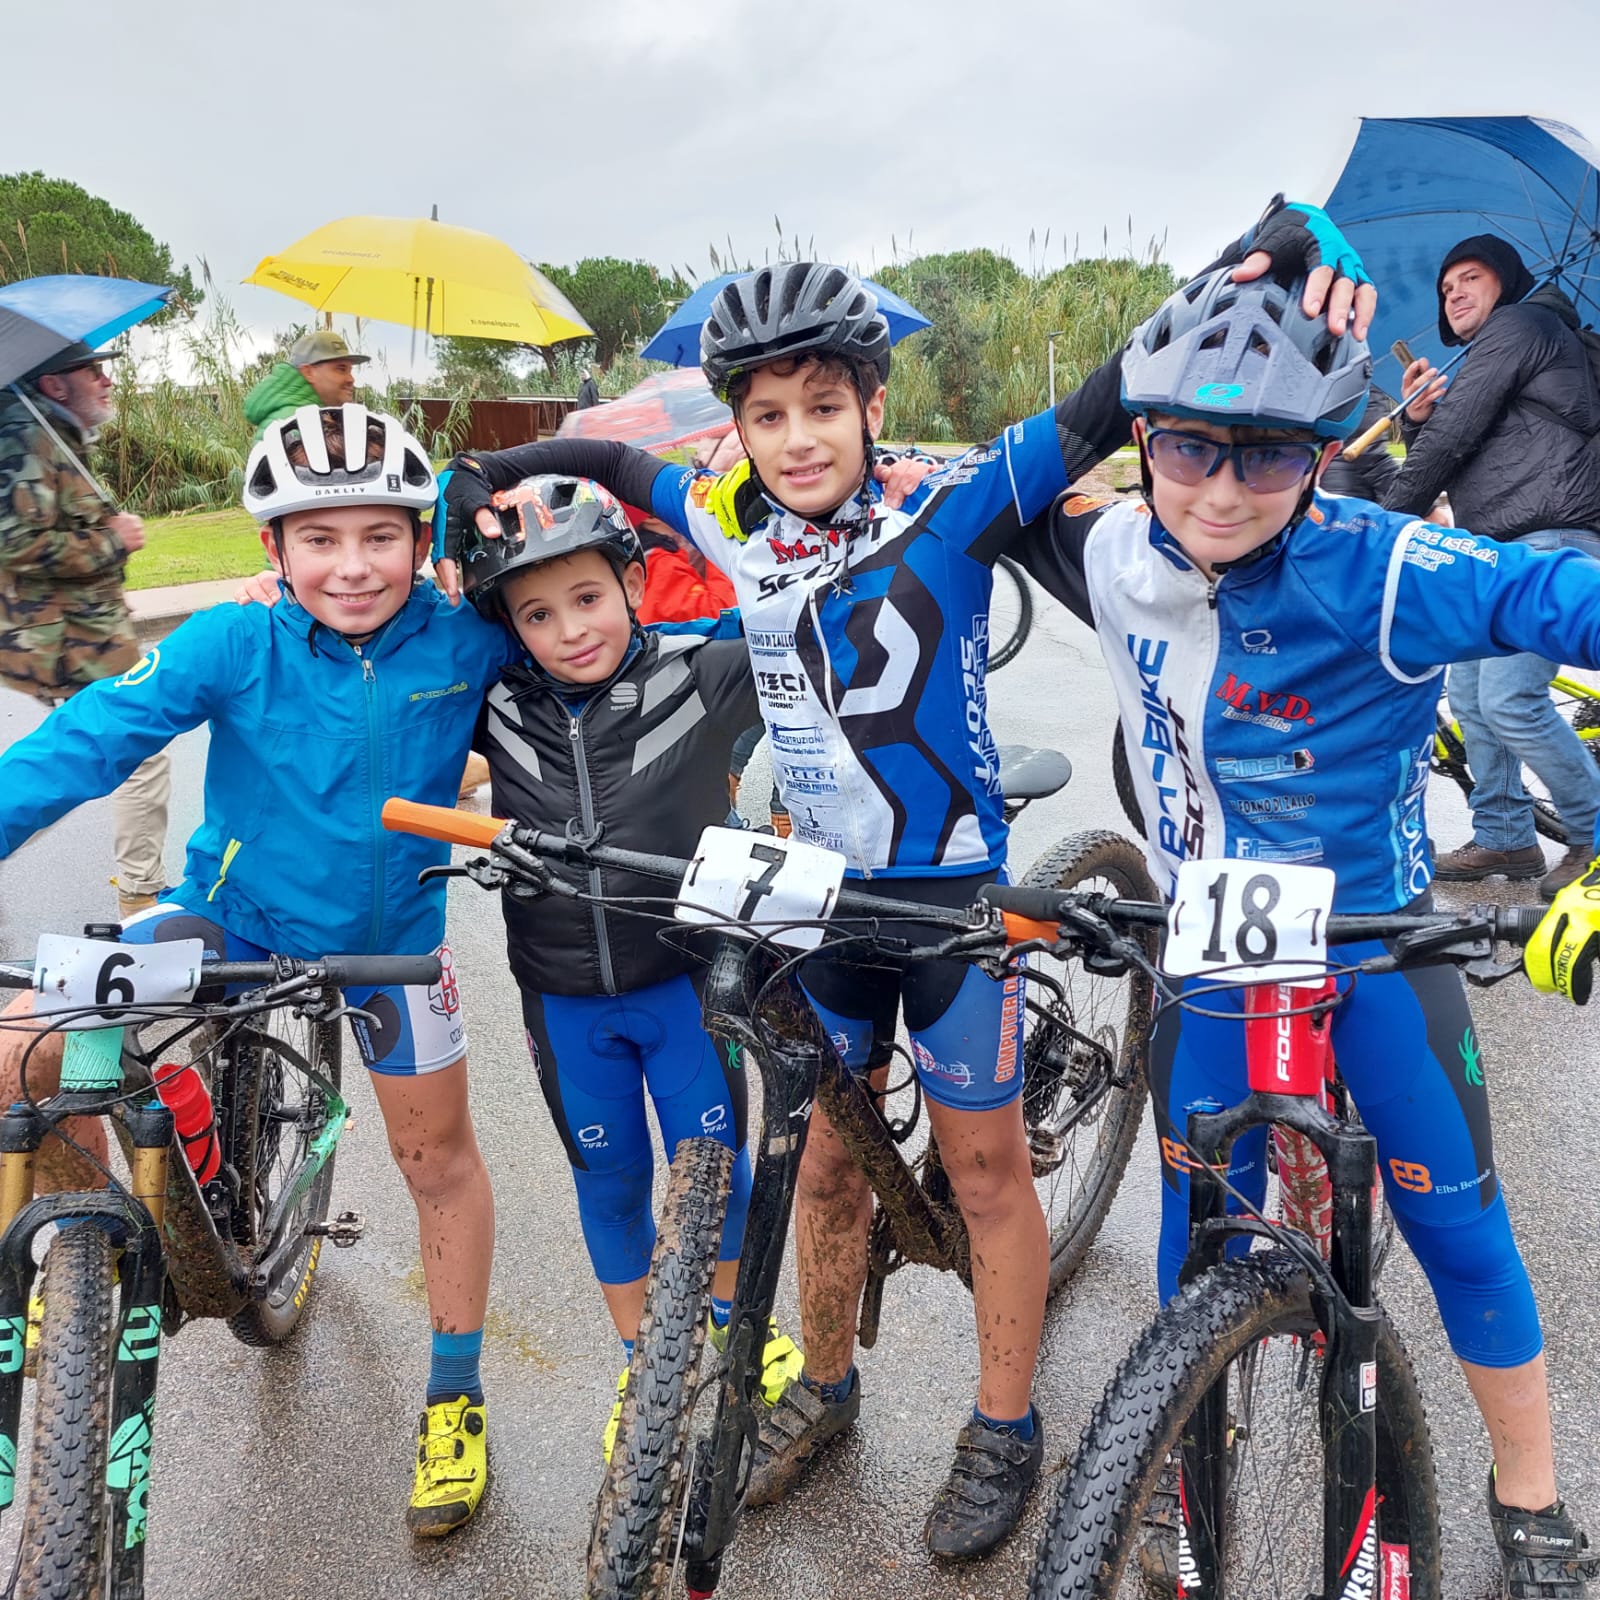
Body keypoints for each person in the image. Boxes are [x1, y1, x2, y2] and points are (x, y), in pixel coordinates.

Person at [439, 200, 1374, 1558]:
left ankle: (1004, 1426)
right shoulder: (720, 512)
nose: (798, 437)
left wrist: (1267, 242)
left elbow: (1106, 396)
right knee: (827, 1165)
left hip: (946, 902)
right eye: (769, 414)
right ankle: (825, 1389)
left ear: (872, 405)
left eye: (825, 406)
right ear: (736, 428)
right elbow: (608, 458)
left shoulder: (949, 502)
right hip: (821, 904)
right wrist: (483, 475)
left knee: (985, 1170)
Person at [1016, 266, 1598, 1598]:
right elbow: (970, 507)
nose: (1221, 491)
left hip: (1371, 945)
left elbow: (1562, 600)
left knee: (1458, 1235)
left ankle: (1530, 1495)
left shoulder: (1385, 567)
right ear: (1143, 442)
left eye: (1267, 455)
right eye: (1189, 449)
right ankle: (1178, 1455)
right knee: (1199, 1237)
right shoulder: (1111, 547)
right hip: (1212, 949)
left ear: (1321, 453)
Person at [0, 404, 513, 1538]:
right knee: (23, 1045)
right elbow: (87, 741)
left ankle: (454, 1395)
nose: (351, 566)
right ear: (272, 549)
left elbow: (608, 644)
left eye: (379, 536)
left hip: (392, 947)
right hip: (233, 919)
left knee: (436, 1161)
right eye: (318, 539)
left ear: (421, 539)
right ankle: (84, 1263)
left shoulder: (468, 638)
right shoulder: (234, 639)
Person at [453, 472, 802, 1457]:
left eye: (588, 597)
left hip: (687, 987)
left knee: (715, 1172)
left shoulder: (702, 673)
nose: (570, 630)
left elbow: (814, 633)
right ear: (509, 626)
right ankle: (645, 1362)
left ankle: (738, 1329)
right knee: (609, 1187)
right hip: (564, 1003)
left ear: (635, 586)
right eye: (537, 614)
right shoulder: (494, 702)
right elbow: (388, 663)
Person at [1383, 235, 1600, 900]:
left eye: (1470, 278)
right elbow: (1460, 444)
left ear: (1505, 281)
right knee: (1473, 699)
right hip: (1500, 546)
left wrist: (1381, 531)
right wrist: (1416, 420)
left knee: (1510, 699)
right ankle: (1505, 835)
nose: (1454, 295)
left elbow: (1452, 440)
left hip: (1547, 536)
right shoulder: (1506, 346)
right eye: (1446, 289)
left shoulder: (1522, 324)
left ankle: (1595, 839)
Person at [0, 339, 172, 919]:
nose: (106, 380)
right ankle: (140, 896)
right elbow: (13, 542)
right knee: (133, 750)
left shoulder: (51, 432)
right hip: (65, 642)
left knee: (85, 753)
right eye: (92, 370)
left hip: (81, 635)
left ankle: (139, 887)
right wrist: (111, 541)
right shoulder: (27, 437)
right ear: (54, 383)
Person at [243, 330, 371, 440]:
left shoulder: (311, 418)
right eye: (341, 369)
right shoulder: (292, 424)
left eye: (350, 370)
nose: (351, 379)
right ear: (308, 372)